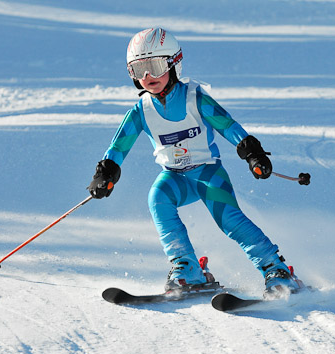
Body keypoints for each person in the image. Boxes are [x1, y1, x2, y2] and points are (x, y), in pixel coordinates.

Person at [87, 27, 301, 296]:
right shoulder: (142, 110)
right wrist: (106, 172)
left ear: (174, 64)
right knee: (157, 198)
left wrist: (252, 153)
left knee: (229, 220)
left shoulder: (194, 98)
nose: (147, 76)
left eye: (154, 66)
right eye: (138, 69)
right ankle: (187, 268)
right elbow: (119, 145)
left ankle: (275, 268)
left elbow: (227, 125)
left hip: (207, 173)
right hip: (175, 177)